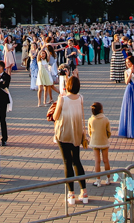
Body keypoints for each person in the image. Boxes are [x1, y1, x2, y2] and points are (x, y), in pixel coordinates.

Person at [52, 75, 87, 205]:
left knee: (67, 162)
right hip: (76, 132)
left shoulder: (63, 99)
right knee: (77, 161)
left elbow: (55, 116)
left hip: (64, 132)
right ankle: (84, 191)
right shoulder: (80, 98)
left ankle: (71, 193)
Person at [87, 101, 111, 187]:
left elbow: (90, 132)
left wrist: (92, 137)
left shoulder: (91, 120)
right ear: (101, 110)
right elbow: (109, 132)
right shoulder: (105, 119)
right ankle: (108, 179)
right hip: (104, 142)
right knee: (106, 160)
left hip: (95, 142)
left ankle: (98, 180)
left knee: (97, 161)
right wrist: (106, 137)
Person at [0, 61, 12, 146]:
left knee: (2, 119)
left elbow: (4, 85)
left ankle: (4, 138)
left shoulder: (6, 76)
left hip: (2, 100)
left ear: (1, 67)